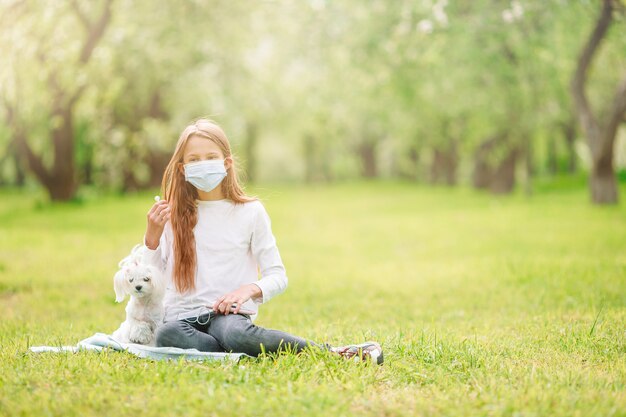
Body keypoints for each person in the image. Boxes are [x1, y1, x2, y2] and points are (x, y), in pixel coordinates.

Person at [142, 118, 383, 365]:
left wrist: (248, 290)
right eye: (194, 160)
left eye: (211, 157)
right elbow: (151, 280)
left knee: (235, 333)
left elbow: (277, 276)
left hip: (227, 317)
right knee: (165, 334)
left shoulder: (250, 212)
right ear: (182, 168)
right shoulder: (170, 215)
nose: (203, 164)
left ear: (227, 163)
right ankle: (233, 352)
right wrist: (152, 236)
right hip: (182, 320)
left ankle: (331, 352)